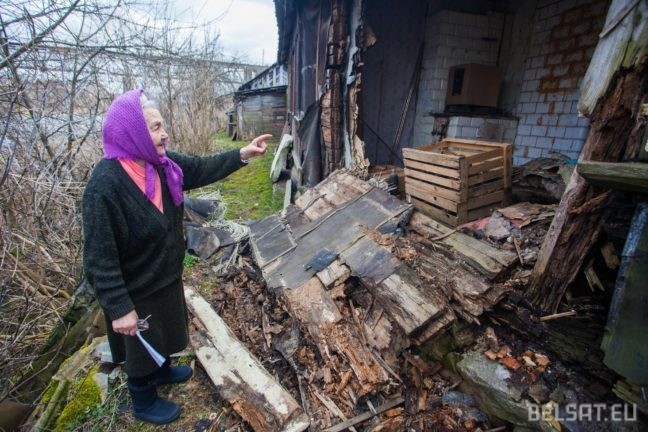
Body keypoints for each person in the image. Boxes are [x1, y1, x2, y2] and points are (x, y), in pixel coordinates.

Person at [82, 88, 271, 425]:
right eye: (155, 127)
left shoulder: (160, 165)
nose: (165, 133)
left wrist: (242, 154)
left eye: (162, 125)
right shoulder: (105, 186)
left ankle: (162, 369)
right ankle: (142, 399)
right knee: (141, 344)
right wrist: (119, 308)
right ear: (133, 133)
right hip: (135, 287)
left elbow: (200, 168)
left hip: (165, 275)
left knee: (166, 328)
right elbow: (99, 258)